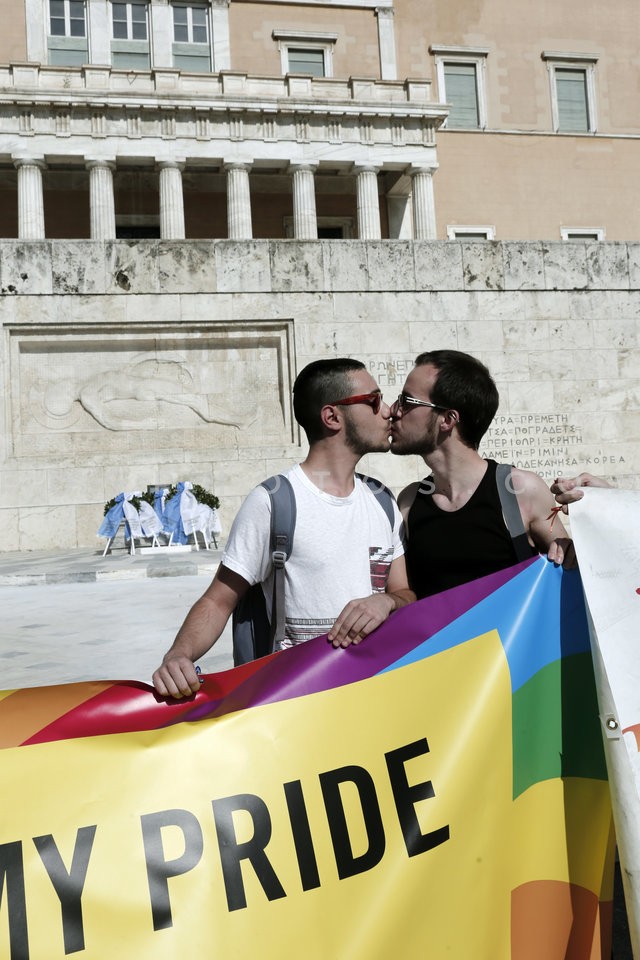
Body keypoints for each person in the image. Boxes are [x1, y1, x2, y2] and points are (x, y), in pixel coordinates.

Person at [153, 358, 414, 699]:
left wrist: (385, 601)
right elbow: (218, 601)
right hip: (299, 702)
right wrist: (178, 655)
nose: (388, 411)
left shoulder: (382, 500)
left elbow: (404, 593)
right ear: (332, 417)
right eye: (374, 400)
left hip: (376, 694)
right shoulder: (273, 502)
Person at [388, 349, 573, 599]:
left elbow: (569, 574)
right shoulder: (409, 502)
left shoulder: (519, 490)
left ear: (448, 419)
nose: (394, 410)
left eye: (407, 402)